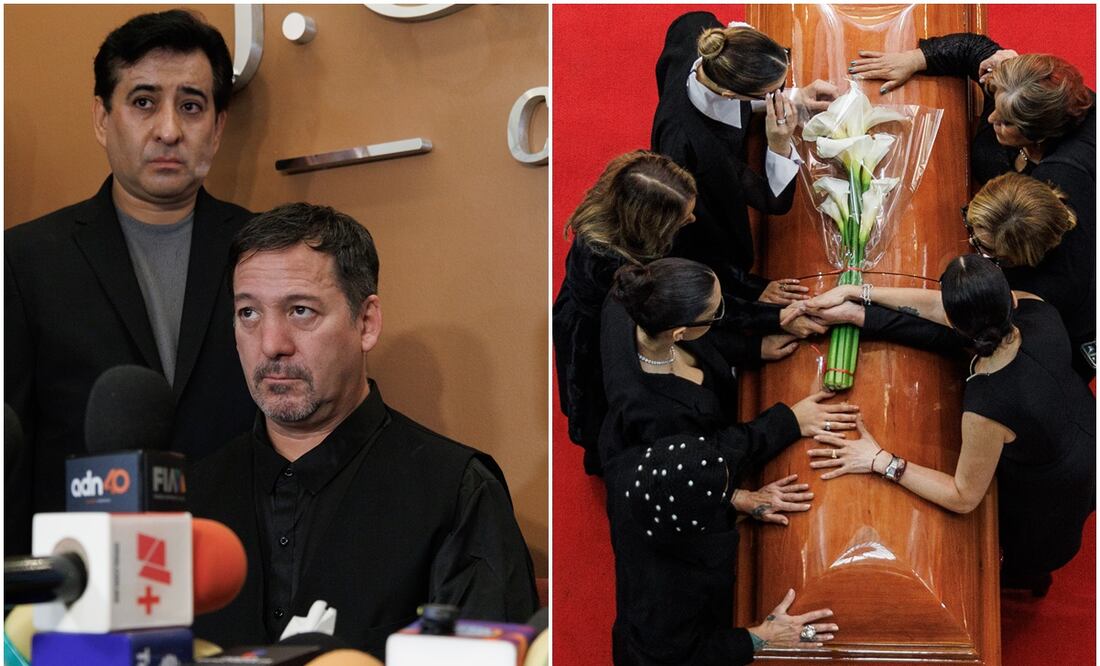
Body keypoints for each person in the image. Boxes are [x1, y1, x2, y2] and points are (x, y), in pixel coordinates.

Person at [188, 203, 539, 657]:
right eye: (249, 314)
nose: (271, 343)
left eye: (300, 310)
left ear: (366, 322)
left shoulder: (456, 493)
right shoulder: (191, 496)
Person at [4, 10, 255, 556]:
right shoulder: (25, 260)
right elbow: (10, 454)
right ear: (101, 117)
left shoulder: (263, 250)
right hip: (84, 586)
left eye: (191, 106)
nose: (168, 129)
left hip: (235, 576)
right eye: (143, 102)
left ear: (217, 127)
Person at [799, 256, 1095, 595]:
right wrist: (859, 292)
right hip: (1083, 424)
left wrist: (879, 459)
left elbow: (963, 496)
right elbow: (940, 309)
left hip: (1049, 492)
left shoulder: (989, 402)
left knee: (1022, 561)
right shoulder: (1035, 309)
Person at [553, 151, 824, 475]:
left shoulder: (624, 213)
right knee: (605, 408)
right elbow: (693, 305)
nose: (693, 220)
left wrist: (754, 290)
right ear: (653, 225)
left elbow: (695, 262)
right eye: (684, 218)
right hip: (593, 333)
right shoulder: (625, 271)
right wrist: (771, 318)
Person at [599, 258, 859, 497]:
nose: (723, 312)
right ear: (679, 333)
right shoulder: (656, 413)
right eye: (716, 313)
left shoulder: (642, 299)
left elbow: (704, 338)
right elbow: (709, 455)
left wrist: (753, 348)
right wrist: (788, 422)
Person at [651, 12, 839, 303]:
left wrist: (796, 96)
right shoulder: (696, 152)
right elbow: (771, 201)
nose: (779, 94)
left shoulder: (697, 28)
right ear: (729, 93)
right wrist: (778, 142)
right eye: (771, 92)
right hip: (694, 226)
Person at [606, 433, 838, 665]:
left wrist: (740, 501)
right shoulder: (665, 595)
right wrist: (763, 637)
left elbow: (710, 456)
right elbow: (683, 655)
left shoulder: (633, 468)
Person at [849, 40, 1095, 195]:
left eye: (1006, 122)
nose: (991, 119)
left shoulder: (1062, 176)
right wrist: (915, 59)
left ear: (1037, 134)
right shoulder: (1012, 90)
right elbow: (971, 50)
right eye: (995, 104)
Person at [964, 172, 1094, 381]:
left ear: (1015, 259)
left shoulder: (1036, 291)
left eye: (986, 247)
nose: (970, 242)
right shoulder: (1064, 175)